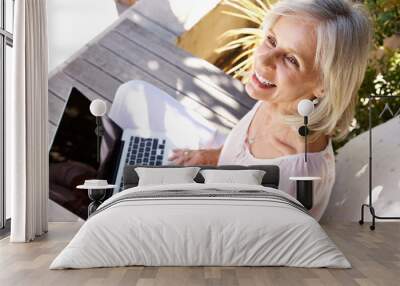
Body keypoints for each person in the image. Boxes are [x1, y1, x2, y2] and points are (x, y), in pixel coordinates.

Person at [169, 0, 372, 220]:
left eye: (291, 59)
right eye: (272, 40)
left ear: (325, 84)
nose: (263, 59)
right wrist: (209, 157)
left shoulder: (295, 177)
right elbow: (239, 157)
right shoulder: (276, 101)